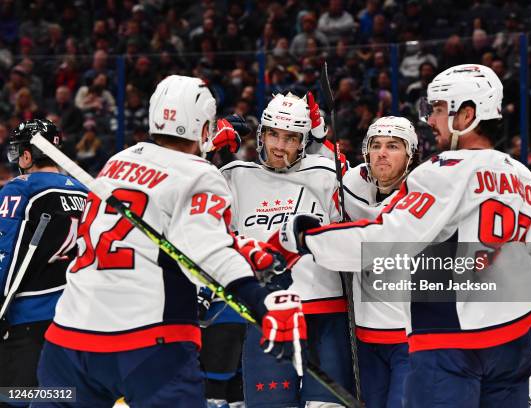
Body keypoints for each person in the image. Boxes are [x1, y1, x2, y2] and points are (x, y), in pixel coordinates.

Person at [273, 64, 531, 408]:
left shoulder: (445, 172)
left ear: (467, 115)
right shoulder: (521, 175)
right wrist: (524, 326)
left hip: (451, 343)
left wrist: (308, 239)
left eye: (438, 110)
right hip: (514, 342)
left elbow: (385, 240)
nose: (431, 120)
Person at [33, 76, 306, 407]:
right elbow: (208, 252)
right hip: (148, 345)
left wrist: (236, 243)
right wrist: (260, 305)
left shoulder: (115, 162)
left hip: (69, 341)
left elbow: (155, 223)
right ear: (204, 127)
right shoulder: (201, 174)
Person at [220, 91, 354, 407]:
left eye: (291, 138)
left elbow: (361, 196)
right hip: (268, 316)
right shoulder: (234, 177)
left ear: (303, 141)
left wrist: (326, 145)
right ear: (261, 134)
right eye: (273, 135)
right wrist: (204, 147)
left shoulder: (326, 172)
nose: (280, 146)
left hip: (326, 315)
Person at [0, 119, 87, 391]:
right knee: (58, 395)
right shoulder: (83, 190)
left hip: (24, 316)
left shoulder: (21, 187)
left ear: (28, 154)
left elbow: (5, 250)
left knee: (15, 396)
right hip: (69, 314)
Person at [342, 116, 419, 407]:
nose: (382, 153)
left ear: (410, 155)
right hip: (365, 337)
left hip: (410, 340)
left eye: (393, 146)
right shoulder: (352, 190)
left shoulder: (426, 196)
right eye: (376, 145)